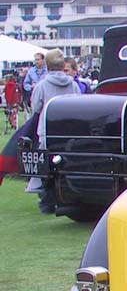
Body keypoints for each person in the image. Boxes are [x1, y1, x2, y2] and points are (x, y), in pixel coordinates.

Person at [27, 49, 81, 213]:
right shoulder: (72, 84)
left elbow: (35, 107)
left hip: (47, 129)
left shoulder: (42, 85)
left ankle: (46, 201)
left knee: (46, 166)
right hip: (68, 130)